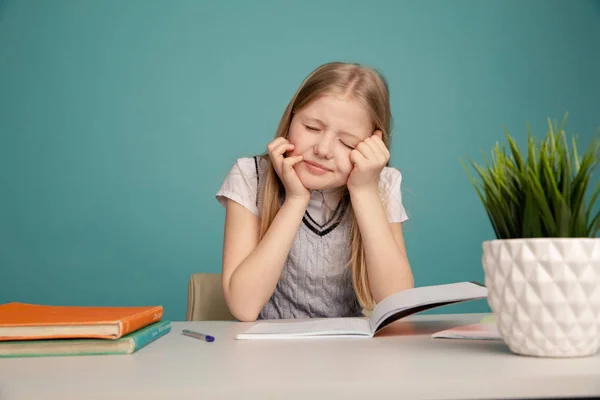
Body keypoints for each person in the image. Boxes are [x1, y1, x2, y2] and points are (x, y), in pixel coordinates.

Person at [216, 61, 414, 322]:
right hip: (268, 352)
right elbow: (244, 307)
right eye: (312, 128)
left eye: (347, 142)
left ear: (371, 144)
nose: (323, 149)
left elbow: (398, 306)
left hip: (348, 354)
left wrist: (364, 191)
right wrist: (296, 199)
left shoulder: (381, 184)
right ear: (290, 119)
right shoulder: (250, 176)